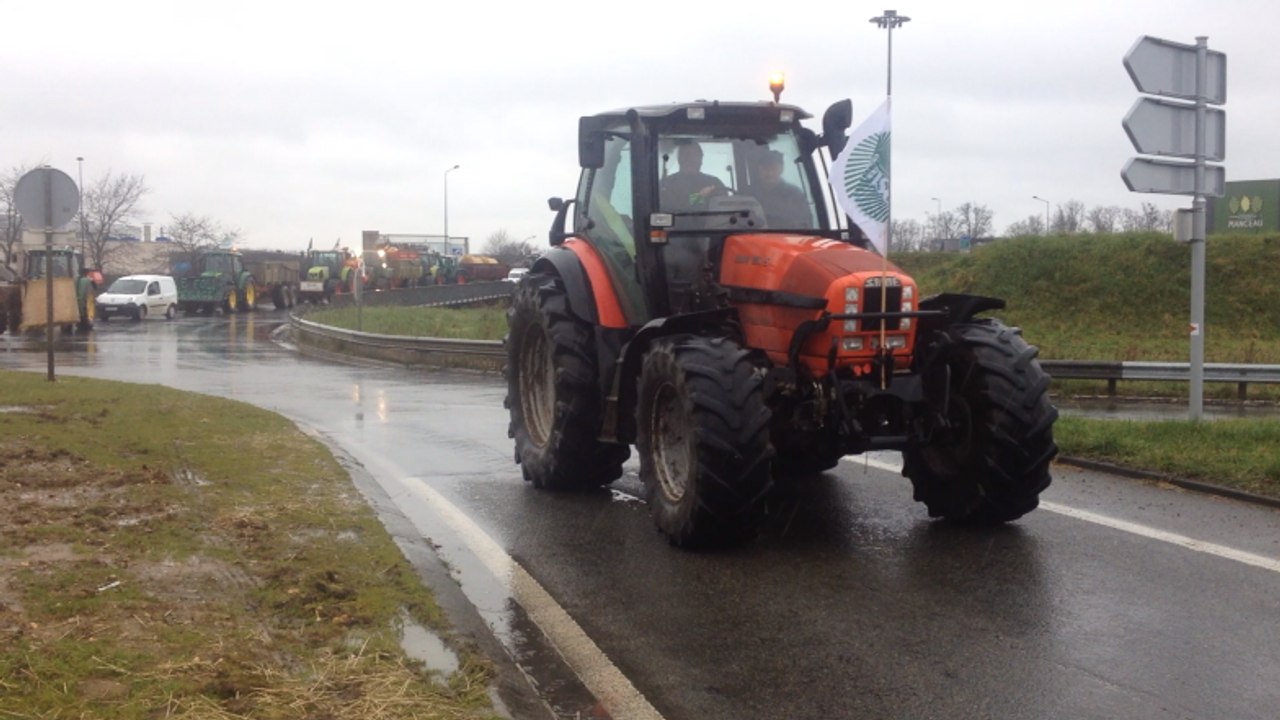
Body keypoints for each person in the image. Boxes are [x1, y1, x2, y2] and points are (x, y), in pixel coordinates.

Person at [741, 150, 812, 229]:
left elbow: (805, 223)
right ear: (759, 169)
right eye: (765, 168)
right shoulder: (746, 195)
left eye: (774, 168)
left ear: (781, 169)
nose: (770, 173)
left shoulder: (795, 195)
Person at [659, 142, 727, 212]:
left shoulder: (714, 182)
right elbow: (673, 205)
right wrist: (699, 196)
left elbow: (726, 207)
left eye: (696, 156)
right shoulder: (667, 184)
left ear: (701, 159)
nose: (692, 159)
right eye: (687, 156)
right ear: (680, 159)